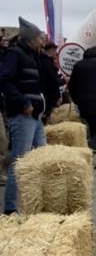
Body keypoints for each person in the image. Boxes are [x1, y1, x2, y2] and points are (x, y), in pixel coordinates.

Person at [0, 17, 47, 214]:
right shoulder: (15, 54)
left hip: (35, 117)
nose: (42, 41)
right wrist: (24, 102)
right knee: (20, 161)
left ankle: (37, 200)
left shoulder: (32, 56)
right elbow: (4, 80)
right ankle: (11, 208)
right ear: (30, 39)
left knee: (43, 154)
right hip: (22, 115)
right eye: (39, 38)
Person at [39, 41, 62, 123]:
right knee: (47, 118)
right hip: (47, 96)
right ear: (51, 49)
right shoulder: (47, 62)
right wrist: (57, 97)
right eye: (55, 51)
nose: (55, 53)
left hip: (45, 95)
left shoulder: (42, 59)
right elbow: (52, 81)